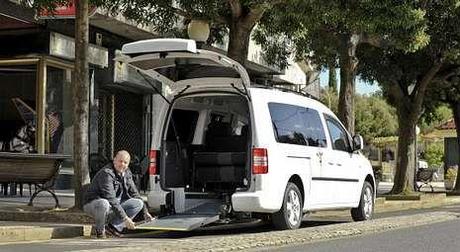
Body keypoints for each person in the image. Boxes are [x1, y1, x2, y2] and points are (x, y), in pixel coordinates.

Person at [84, 150, 154, 238]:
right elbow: (111, 199)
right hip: (94, 204)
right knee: (103, 203)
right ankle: (99, 231)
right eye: (120, 161)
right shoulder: (106, 173)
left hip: (113, 205)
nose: (122, 164)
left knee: (138, 203)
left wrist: (145, 212)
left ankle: (112, 228)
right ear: (114, 160)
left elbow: (135, 193)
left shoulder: (127, 172)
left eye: (125, 162)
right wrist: (125, 218)